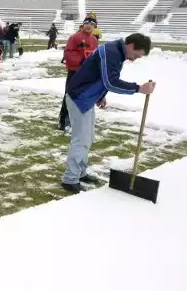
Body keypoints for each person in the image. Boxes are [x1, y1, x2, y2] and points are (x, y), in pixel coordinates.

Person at [61, 34, 155, 193]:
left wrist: (101, 95)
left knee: (88, 137)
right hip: (79, 97)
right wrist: (139, 88)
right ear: (131, 46)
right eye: (136, 55)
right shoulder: (112, 52)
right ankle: (70, 179)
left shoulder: (117, 52)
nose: (134, 59)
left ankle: (80, 172)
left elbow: (99, 75)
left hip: (87, 97)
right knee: (81, 140)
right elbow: (110, 82)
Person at [58, 14, 100, 131]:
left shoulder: (94, 40)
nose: (89, 26)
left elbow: (96, 56)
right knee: (69, 95)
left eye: (92, 24)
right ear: (83, 24)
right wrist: (82, 61)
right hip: (75, 72)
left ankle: (78, 120)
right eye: (87, 23)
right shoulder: (74, 37)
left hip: (87, 74)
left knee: (83, 96)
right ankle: (64, 120)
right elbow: (68, 53)